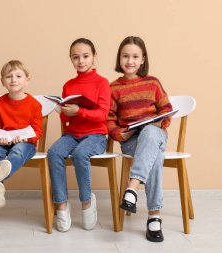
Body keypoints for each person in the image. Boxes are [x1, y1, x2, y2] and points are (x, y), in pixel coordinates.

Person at [108, 36, 173, 242]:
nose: (130, 61)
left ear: (143, 59)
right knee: (155, 158)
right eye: (125, 56)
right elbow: (109, 121)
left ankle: (131, 188)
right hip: (132, 141)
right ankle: (154, 217)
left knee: (150, 133)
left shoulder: (152, 83)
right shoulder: (113, 88)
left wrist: (158, 123)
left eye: (135, 56)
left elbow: (167, 110)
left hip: (156, 134)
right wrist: (120, 134)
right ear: (119, 59)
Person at [47, 38, 111, 232]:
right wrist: (64, 113)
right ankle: (62, 205)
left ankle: (86, 202)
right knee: (54, 153)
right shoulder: (68, 85)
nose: (81, 61)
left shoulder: (102, 83)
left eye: (85, 56)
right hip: (73, 133)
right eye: (76, 57)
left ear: (94, 57)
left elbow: (102, 115)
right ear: (71, 59)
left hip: (96, 136)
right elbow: (66, 118)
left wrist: (79, 112)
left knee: (80, 154)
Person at [0, 60, 42, 208]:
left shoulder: (34, 104)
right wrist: (0, 138)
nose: (13, 80)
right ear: (2, 81)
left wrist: (25, 138)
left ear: (26, 80)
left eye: (18, 76)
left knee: (17, 151)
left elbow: (37, 131)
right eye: (9, 76)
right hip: (3, 142)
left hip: (26, 143)